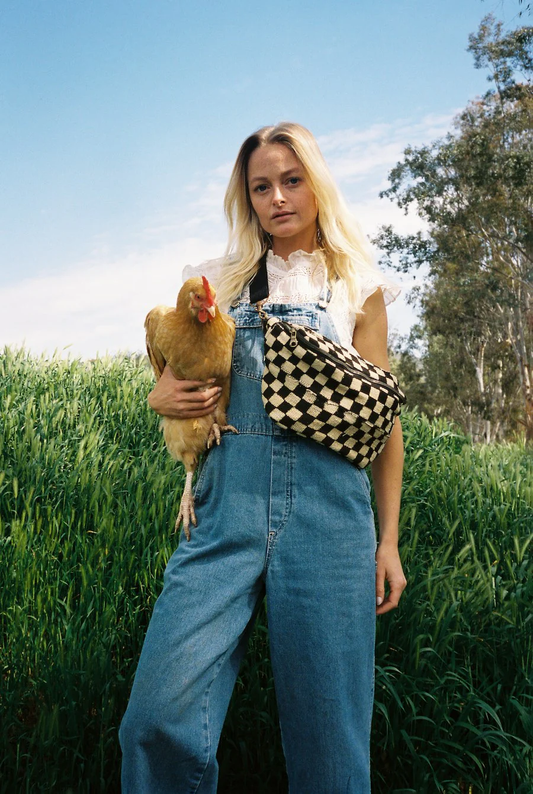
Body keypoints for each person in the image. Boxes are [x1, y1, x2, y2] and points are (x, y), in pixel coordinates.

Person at [119, 122, 407, 793]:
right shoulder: (212, 279)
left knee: (330, 748)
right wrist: (161, 392)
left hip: (330, 521)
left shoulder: (356, 287)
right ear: (244, 198)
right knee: (155, 720)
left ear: (315, 185)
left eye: (291, 180)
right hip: (223, 515)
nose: (277, 197)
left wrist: (387, 540)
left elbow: (384, 420)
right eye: (260, 187)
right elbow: (172, 374)